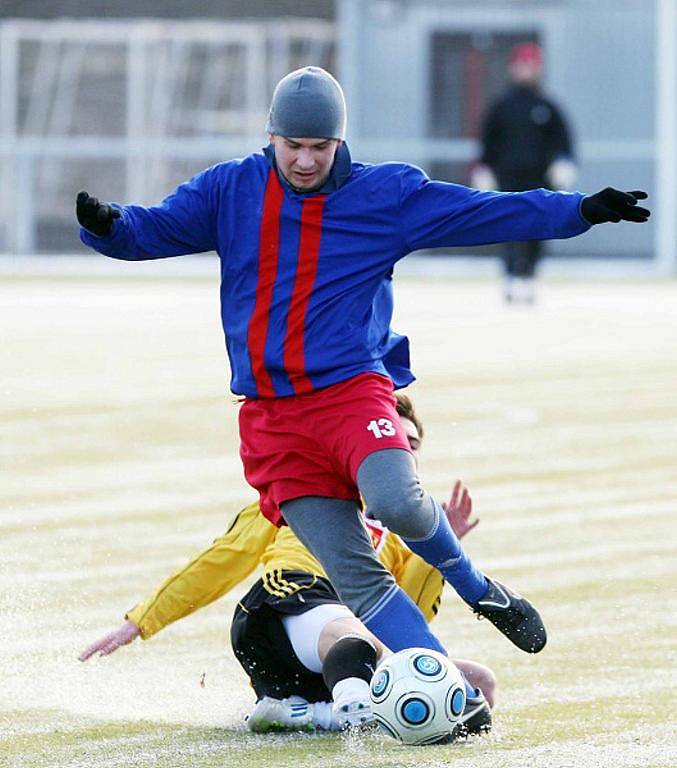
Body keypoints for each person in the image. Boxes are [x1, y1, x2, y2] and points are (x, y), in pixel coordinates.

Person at [76, 66, 649, 662]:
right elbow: (154, 228)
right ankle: (441, 686)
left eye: (318, 147)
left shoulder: (386, 196)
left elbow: (485, 212)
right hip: (274, 420)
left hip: (351, 393)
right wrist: (108, 227)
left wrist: (580, 209)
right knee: (357, 578)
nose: (303, 160)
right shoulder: (231, 190)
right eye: (292, 146)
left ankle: (478, 588)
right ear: (271, 135)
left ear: (339, 141)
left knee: (396, 503)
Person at [79, 395, 494, 736]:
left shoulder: (405, 531)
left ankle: (304, 714)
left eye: (413, 444)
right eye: (394, 439)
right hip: (279, 611)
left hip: (339, 655)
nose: (403, 450)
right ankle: (348, 716)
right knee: (356, 638)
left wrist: (441, 552)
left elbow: (409, 625)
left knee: (478, 684)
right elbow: (221, 561)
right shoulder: (301, 493)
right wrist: (142, 620)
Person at [472, 42, 578, 303]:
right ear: (513, 68)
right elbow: (488, 141)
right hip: (508, 178)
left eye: (531, 65)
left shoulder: (547, 106)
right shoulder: (501, 106)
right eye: (522, 65)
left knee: (537, 229)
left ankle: (529, 278)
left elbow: (564, 140)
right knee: (507, 227)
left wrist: (564, 163)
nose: (526, 70)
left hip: (539, 180)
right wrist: (483, 168)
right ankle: (510, 277)